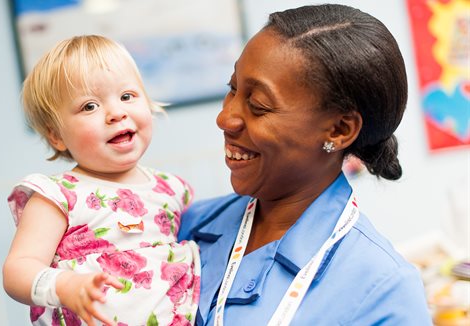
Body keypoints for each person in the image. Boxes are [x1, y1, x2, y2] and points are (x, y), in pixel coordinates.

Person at [178, 4, 432, 326]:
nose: (225, 118)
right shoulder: (190, 224)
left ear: (338, 130)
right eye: (233, 89)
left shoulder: (383, 290)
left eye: (258, 106)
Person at [3, 35, 200, 326]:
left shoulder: (173, 189)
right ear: (56, 135)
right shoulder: (58, 196)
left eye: (127, 96)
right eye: (90, 106)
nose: (116, 113)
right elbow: (17, 270)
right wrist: (64, 285)